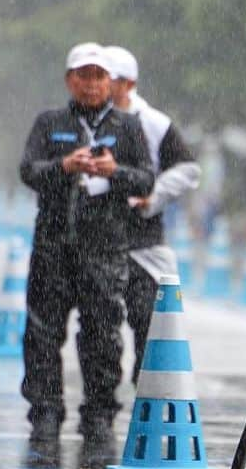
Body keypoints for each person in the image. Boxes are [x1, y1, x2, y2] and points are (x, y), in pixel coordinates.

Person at [19, 42, 154, 447]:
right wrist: (65, 166)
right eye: (84, 76)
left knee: (102, 334)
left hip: (105, 249)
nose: (92, 84)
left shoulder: (128, 127)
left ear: (110, 82)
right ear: (70, 80)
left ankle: (98, 414)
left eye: (99, 76)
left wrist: (115, 172)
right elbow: (28, 170)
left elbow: (147, 178)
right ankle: (44, 413)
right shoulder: (50, 122)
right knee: (42, 334)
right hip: (53, 247)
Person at [103, 45, 200, 383]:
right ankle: (100, 402)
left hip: (141, 240)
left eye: (108, 78)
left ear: (128, 83)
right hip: (98, 238)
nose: (99, 84)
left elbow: (188, 169)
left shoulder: (154, 124)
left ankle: (144, 385)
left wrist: (153, 196)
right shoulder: (88, 120)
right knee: (100, 323)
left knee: (146, 316)